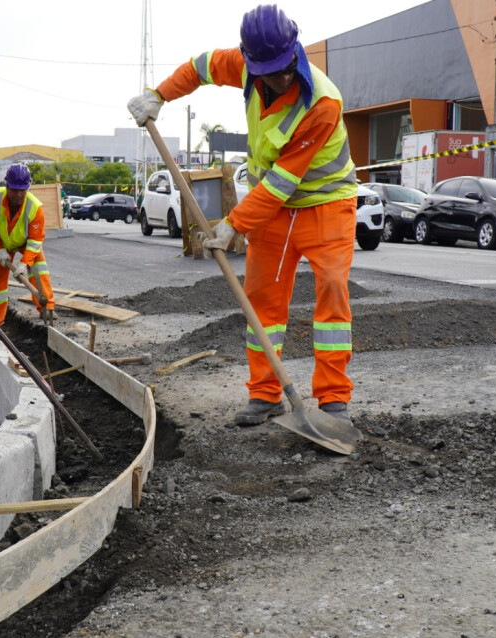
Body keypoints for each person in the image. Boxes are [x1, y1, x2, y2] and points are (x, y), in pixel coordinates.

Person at [128, 4, 358, 427]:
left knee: (331, 297)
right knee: (263, 299)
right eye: (269, 70)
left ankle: (332, 400)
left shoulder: (323, 102)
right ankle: (265, 394)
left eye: (285, 67)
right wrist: (158, 95)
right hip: (274, 211)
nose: (280, 77)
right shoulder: (246, 68)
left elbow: (282, 182)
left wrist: (233, 224)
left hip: (326, 204)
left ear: (295, 51)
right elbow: (200, 67)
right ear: (251, 60)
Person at [0, 163, 56, 326]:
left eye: (23, 190)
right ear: (7, 186)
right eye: (14, 189)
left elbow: (36, 241)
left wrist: (24, 263)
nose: (18, 194)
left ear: (28, 187)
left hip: (24, 242)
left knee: (39, 266)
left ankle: (46, 307)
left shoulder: (35, 207)